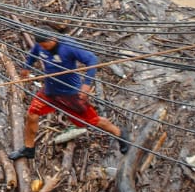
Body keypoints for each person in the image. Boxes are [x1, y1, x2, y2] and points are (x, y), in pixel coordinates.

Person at [8, 30, 129, 160]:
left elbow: (92, 59)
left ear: (53, 39)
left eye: (45, 45)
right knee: (32, 114)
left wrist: (86, 84)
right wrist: (27, 67)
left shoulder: (69, 46)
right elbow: (34, 54)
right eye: (41, 46)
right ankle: (28, 148)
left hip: (70, 94)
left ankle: (120, 133)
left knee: (91, 120)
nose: (43, 48)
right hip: (49, 91)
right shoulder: (40, 45)